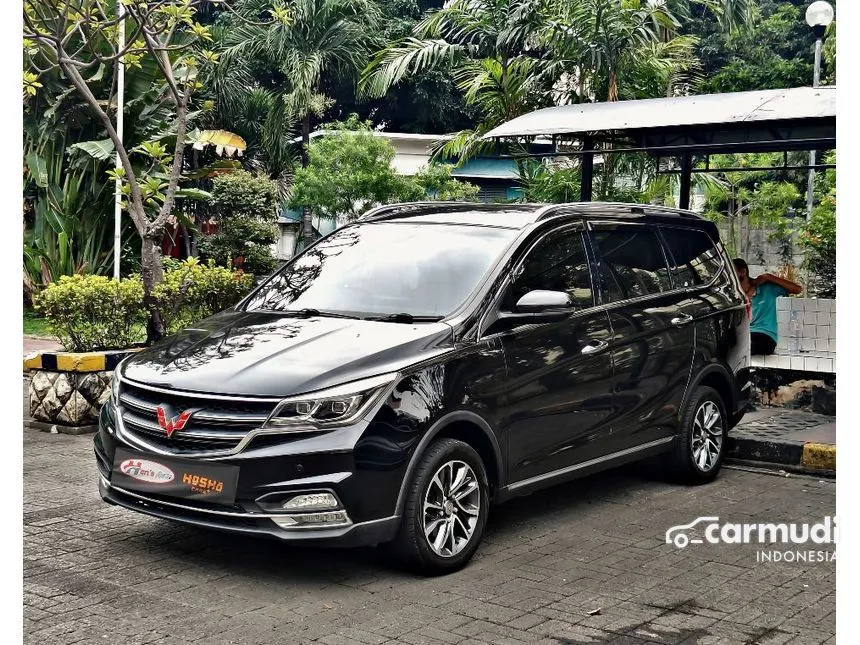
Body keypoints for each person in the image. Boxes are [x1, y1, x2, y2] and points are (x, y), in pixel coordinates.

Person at [733, 258, 803, 355]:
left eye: (731, 273)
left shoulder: (767, 288)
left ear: (742, 272)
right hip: (745, 335)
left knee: (741, 347)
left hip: (765, 336)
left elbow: (797, 289)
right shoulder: (733, 296)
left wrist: (768, 277)